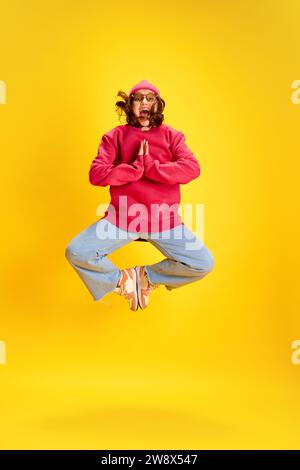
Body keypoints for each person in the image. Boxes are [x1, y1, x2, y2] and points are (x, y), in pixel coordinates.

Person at [65, 80, 214, 311]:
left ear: (157, 105)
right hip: (122, 219)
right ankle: (122, 282)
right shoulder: (114, 137)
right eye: (138, 98)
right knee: (76, 251)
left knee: (202, 263)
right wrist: (132, 169)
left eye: (150, 98)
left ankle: (147, 277)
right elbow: (96, 175)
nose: (144, 102)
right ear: (130, 105)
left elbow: (192, 169)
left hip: (164, 220)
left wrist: (152, 167)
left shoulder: (172, 136)